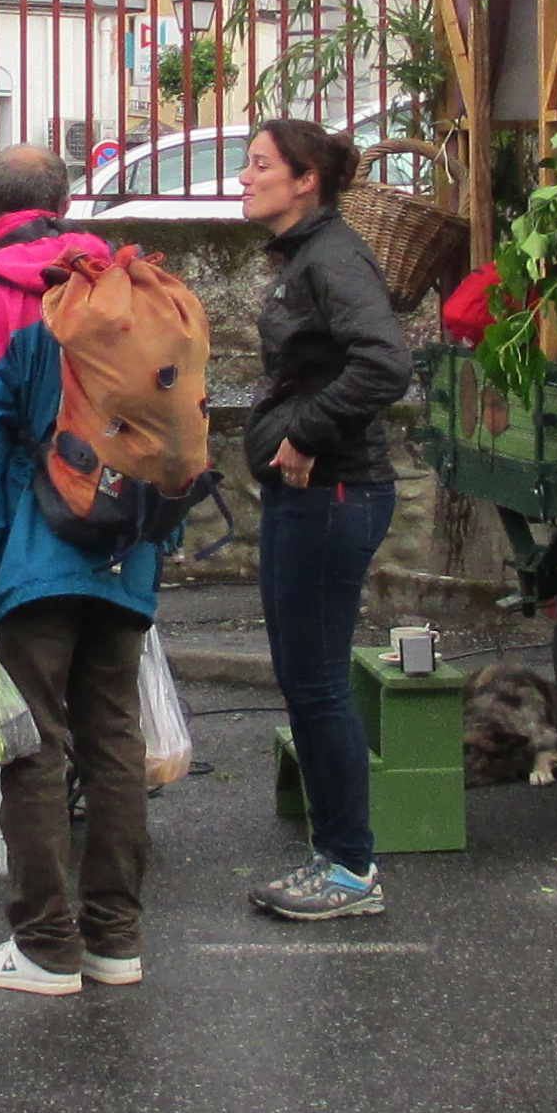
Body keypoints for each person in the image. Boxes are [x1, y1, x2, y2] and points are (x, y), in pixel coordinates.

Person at [0, 144, 165, 995]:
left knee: (31, 743)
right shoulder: (121, 284)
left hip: (35, 555)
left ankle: (44, 946)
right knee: (113, 739)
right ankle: (115, 940)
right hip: (124, 546)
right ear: (64, 200)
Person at [239, 114, 417, 925]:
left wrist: (309, 432)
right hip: (306, 497)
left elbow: (385, 360)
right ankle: (336, 856)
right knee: (305, 680)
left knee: (316, 682)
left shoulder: (334, 256)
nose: (244, 177)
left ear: (305, 179)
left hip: (334, 496)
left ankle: (350, 868)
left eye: (259, 165)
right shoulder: (308, 256)